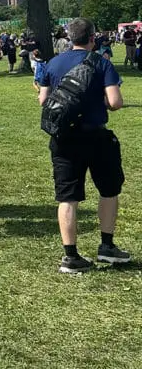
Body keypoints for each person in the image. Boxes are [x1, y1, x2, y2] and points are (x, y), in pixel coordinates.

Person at [39, 18, 130, 273]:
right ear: (93, 37)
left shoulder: (54, 63)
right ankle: (107, 246)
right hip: (96, 137)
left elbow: (43, 100)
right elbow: (115, 102)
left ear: (69, 37)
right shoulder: (101, 63)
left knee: (67, 197)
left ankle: (71, 255)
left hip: (64, 138)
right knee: (109, 190)